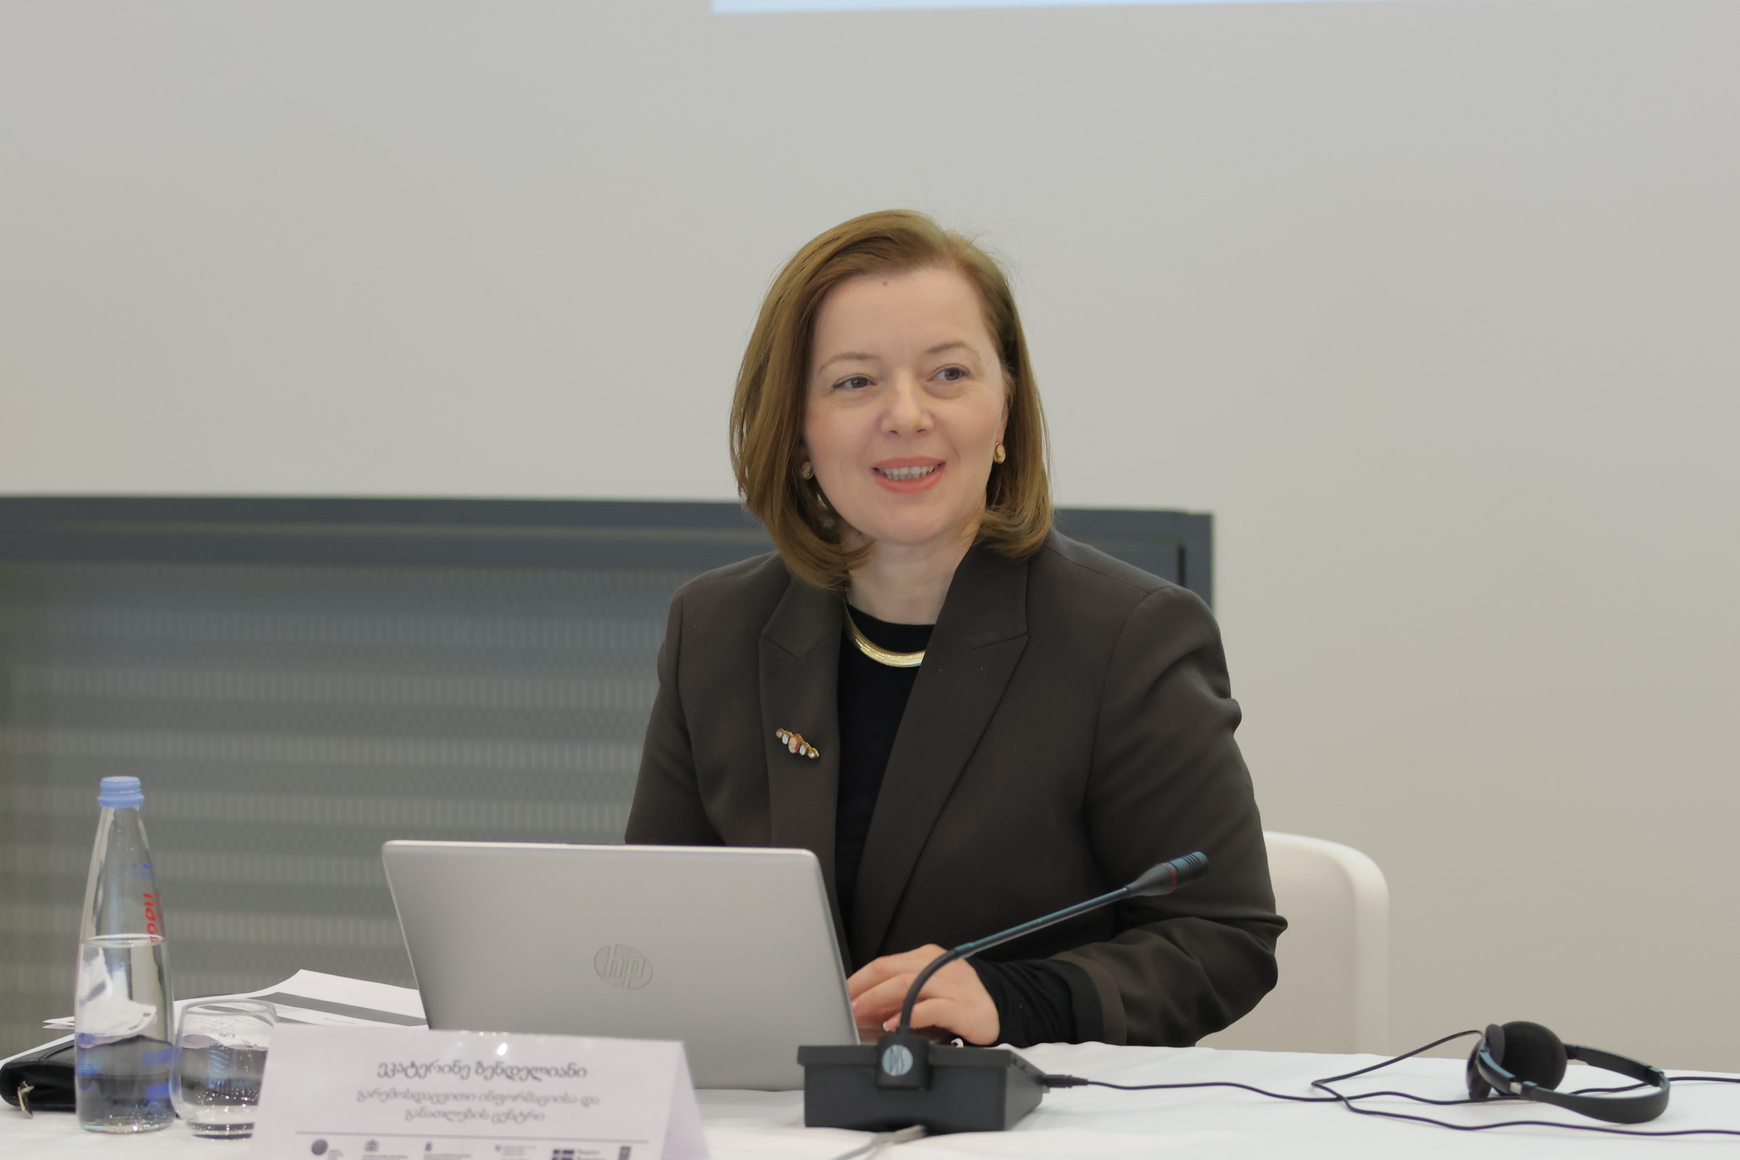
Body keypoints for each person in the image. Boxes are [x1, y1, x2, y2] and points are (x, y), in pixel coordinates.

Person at [626, 209, 1283, 1049]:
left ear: (1004, 412)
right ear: (796, 429)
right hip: (775, 1105)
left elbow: (1222, 938)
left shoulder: (1130, 637)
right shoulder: (714, 630)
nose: (906, 415)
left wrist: (1016, 999)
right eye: (854, 382)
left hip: (1023, 1105)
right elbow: (652, 927)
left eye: (948, 374)